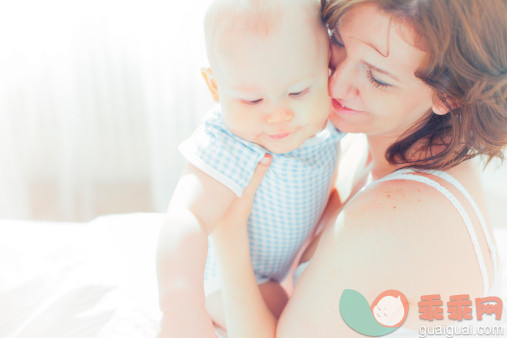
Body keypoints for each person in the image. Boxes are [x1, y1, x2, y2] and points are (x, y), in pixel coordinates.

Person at [210, 0, 506, 336]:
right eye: (338, 41)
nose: (335, 85)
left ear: (451, 95)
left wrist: (226, 229)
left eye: (378, 78)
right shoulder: (366, 143)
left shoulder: (394, 214)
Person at [155, 0, 343, 336]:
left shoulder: (326, 119)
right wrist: (181, 310)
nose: (277, 115)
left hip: (272, 269)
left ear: (328, 68)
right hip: (218, 280)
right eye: (252, 100)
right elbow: (185, 216)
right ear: (216, 88)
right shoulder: (231, 141)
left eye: (297, 91)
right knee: (291, 319)